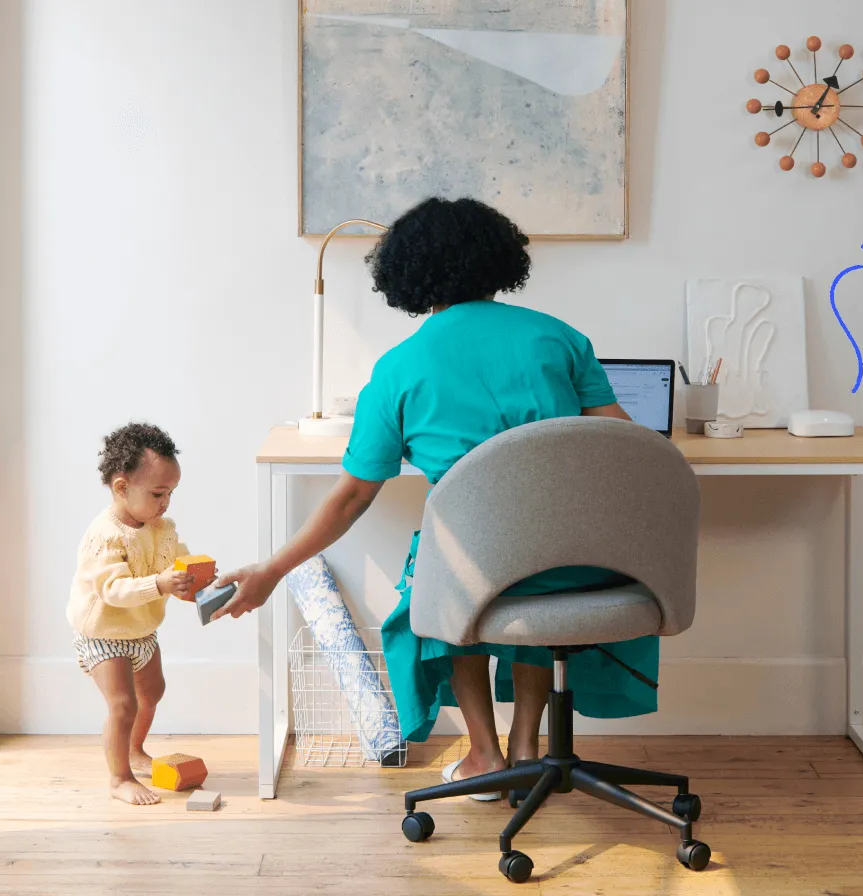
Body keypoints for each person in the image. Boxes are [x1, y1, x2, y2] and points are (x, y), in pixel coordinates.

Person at [216, 197, 658, 795]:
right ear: (499, 259)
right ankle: (530, 744)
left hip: (473, 572)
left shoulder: (398, 370)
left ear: (408, 272)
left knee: (440, 568)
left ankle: (485, 754)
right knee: (533, 557)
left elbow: (351, 498)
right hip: (571, 564)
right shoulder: (560, 340)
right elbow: (626, 445)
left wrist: (273, 568)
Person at [66, 423, 208, 805]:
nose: (165, 503)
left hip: (141, 630)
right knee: (122, 703)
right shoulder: (105, 536)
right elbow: (112, 590)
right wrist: (161, 585)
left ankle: (133, 749)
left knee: (153, 691)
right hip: (104, 634)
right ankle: (119, 779)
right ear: (122, 487)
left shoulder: (161, 528)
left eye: (171, 493)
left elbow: (178, 562)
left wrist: (197, 585)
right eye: (158, 493)